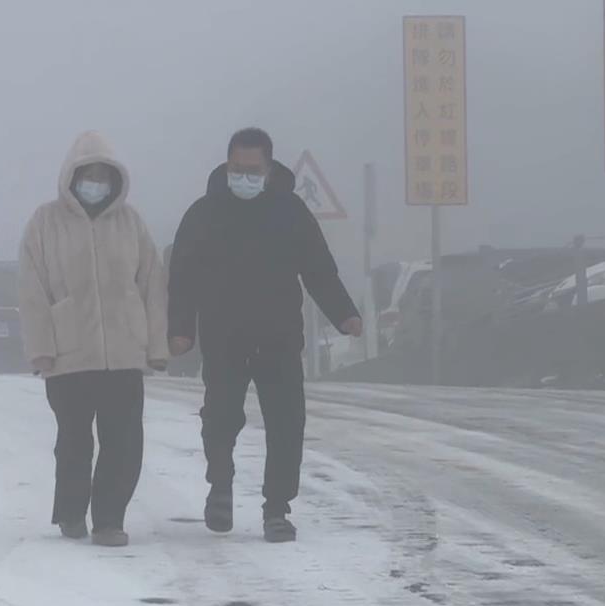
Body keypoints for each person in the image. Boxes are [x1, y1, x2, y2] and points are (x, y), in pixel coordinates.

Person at [167, 128, 362, 543]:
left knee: (287, 423)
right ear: (227, 165)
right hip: (223, 336)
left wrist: (345, 315)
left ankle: (277, 509)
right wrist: (180, 330)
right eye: (238, 169)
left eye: (253, 170)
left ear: (269, 168)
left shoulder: (291, 213)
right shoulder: (204, 214)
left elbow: (319, 271)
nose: (245, 177)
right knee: (220, 418)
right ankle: (220, 487)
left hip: (279, 337)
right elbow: (181, 277)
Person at [19, 131, 168, 548]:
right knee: (74, 441)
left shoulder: (130, 222)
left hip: (123, 354)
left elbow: (152, 284)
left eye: (104, 175)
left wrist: (156, 347)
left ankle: (109, 520)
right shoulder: (44, 223)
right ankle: (70, 512)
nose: (96, 182)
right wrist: (41, 350)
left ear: (116, 180)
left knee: (123, 442)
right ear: (72, 177)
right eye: (89, 175)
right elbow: (32, 291)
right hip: (68, 356)